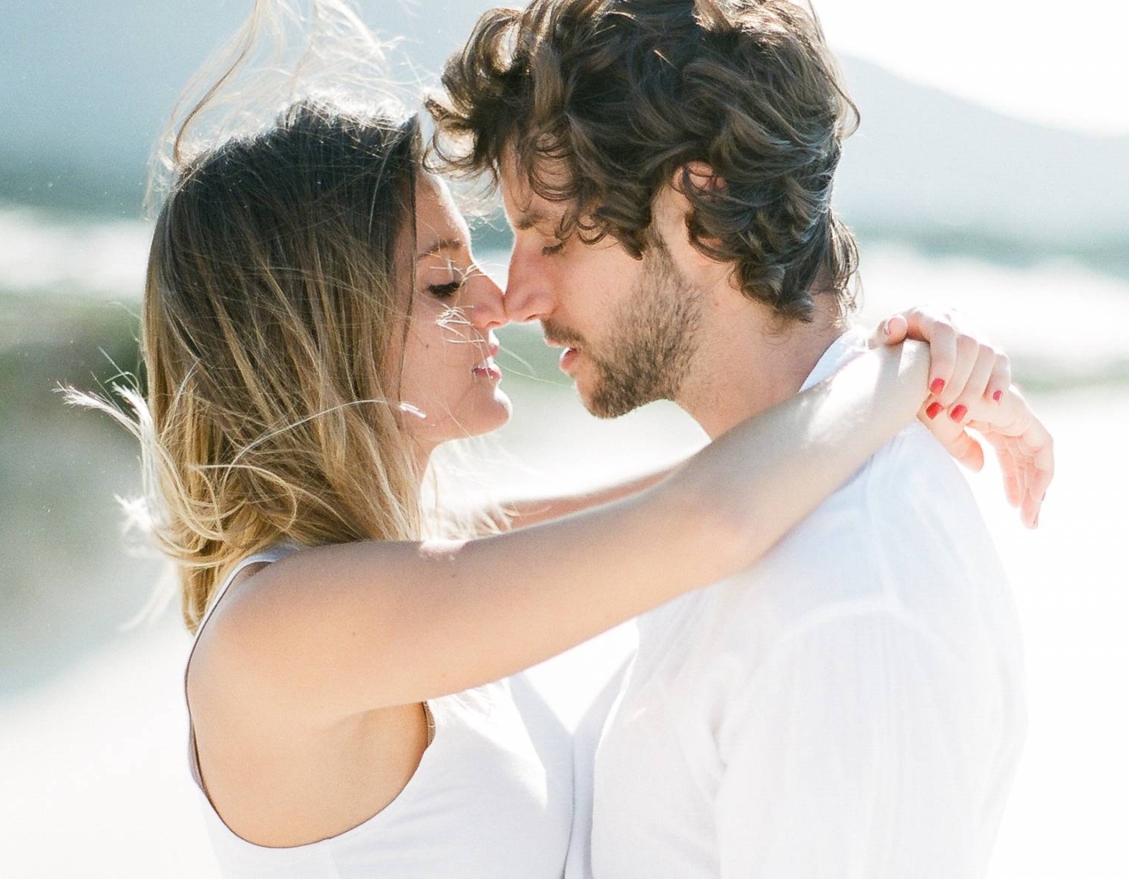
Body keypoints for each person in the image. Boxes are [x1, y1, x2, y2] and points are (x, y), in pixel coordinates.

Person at [74, 6, 1053, 878]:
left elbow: (691, 492)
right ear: (319, 336)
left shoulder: (397, 563)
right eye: (446, 282)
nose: (502, 300)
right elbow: (704, 517)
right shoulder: (281, 632)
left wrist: (893, 386)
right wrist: (907, 369)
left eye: (537, 235)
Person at [428, 1, 1052, 877]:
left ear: (697, 202)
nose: (518, 293)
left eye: (550, 234)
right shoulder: (754, 501)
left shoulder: (847, 602)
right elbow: (430, 558)